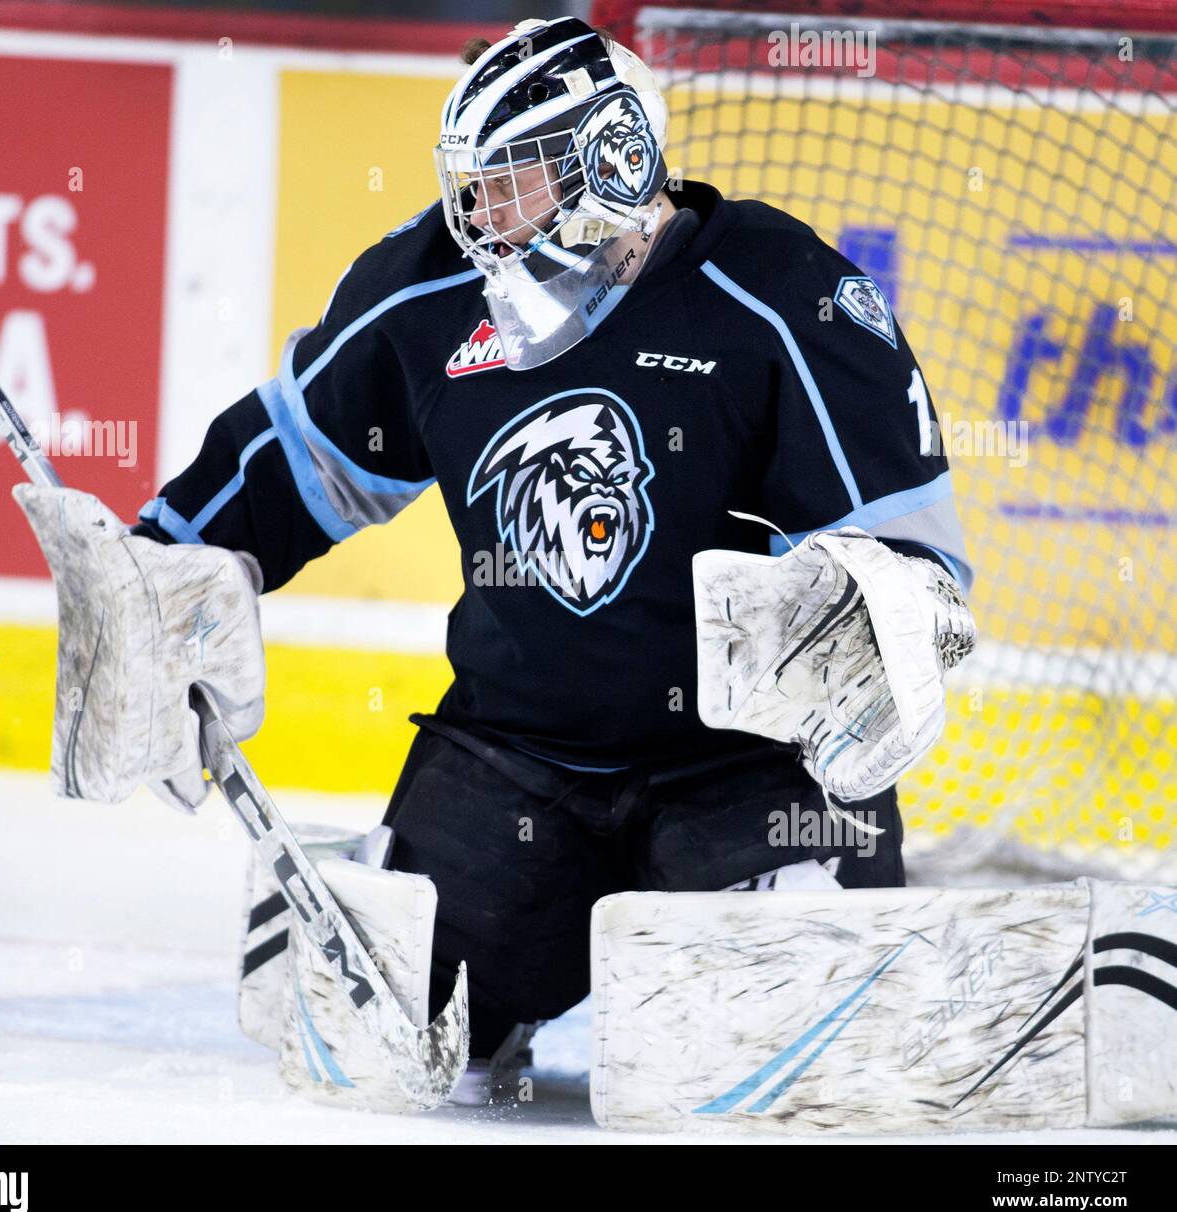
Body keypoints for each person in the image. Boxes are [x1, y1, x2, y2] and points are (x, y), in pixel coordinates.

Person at [128, 17, 973, 1098]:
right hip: (515, 759)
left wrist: (872, 618)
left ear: (611, 163)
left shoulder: (787, 299)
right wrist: (163, 566)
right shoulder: (430, 288)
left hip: (747, 769)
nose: (477, 217)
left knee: (779, 1074)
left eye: (510, 182)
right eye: (469, 187)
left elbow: (912, 562)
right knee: (381, 1048)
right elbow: (301, 456)